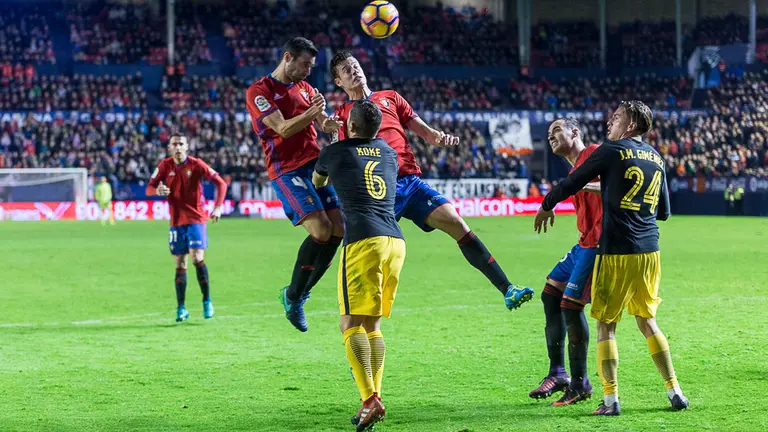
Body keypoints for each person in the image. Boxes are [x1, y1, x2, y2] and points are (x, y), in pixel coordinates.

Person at [329, 50, 533, 310]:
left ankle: (507, 289)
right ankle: (335, 303)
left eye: (355, 65)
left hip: (411, 184)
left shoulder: (390, 97)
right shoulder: (342, 115)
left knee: (457, 223)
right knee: (367, 252)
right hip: (377, 190)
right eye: (346, 70)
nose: (354, 71)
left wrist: (440, 138)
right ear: (339, 82)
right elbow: (343, 158)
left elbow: (427, 133)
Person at [534, 101, 689, 415]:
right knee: (648, 322)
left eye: (616, 118)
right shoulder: (656, 156)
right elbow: (664, 212)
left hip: (616, 250)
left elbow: (573, 182)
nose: (610, 123)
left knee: (606, 325)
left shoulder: (610, 150)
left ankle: (610, 400)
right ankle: (675, 391)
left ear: (630, 124)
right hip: (650, 251)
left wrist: (547, 203)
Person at [312, 100, 403, 431]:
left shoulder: (335, 152)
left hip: (363, 242)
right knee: (372, 325)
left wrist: (332, 145)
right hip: (395, 242)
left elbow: (318, 182)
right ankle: (374, 397)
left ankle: (368, 400)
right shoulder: (389, 153)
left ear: (349, 125)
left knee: (349, 323)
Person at [245, 37, 345, 332]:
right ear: (287, 57)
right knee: (321, 229)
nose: (308, 71)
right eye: (304, 64)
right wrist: (312, 113)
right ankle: (293, 297)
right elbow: (283, 128)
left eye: (311, 66)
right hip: (287, 170)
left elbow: (322, 123)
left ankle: (297, 294)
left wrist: (332, 123)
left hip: (315, 164)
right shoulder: (260, 91)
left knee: (340, 229)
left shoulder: (306, 88)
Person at [529, 119, 601, 406]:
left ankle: (580, 383)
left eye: (556, 130)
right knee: (550, 294)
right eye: (548, 135)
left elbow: (612, 185)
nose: (551, 137)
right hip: (583, 243)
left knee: (571, 306)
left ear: (575, 131)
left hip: (598, 244)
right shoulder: (574, 171)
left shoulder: (594, 153)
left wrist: (570, 189)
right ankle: (558, 373)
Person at [147, 134, 228, 323]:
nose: (177, 147)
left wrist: (218, 207)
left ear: (187, 147)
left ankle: (207, 301)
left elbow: (221, 183)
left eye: (181, 144)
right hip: (176, 221)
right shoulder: (164, 166)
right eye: (174, 144)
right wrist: (157, 190)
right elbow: (149, 188)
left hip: (196, 218)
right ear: (169, 148)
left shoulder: (196, 164)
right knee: (180, 263)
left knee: (197, 257)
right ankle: (181, 308)